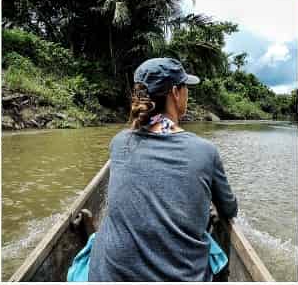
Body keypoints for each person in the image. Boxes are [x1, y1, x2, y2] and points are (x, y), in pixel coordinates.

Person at [86, 58, 238, 282]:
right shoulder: (205, 151)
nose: (187, 93)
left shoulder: (119, 142)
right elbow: (229, 209)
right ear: (175, 93)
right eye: (185, 87)